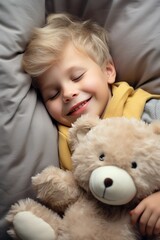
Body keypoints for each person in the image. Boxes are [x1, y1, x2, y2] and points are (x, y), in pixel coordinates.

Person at [22, 13, 160, 237]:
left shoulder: (147, 110)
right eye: (53, 93)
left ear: (108, 71)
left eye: (76, 77)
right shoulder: (68, 142)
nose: (67, 93)